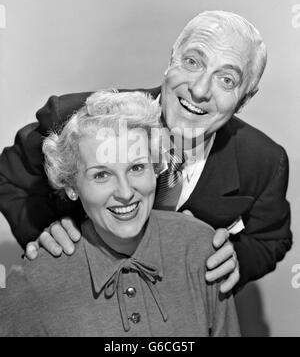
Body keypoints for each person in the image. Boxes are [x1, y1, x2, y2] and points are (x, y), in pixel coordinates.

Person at [0, 11, 292, 294]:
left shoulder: (264, 161)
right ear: (171, 61)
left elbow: (270, 239)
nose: (200, 89)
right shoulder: (75, 120)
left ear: (245, 99)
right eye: (192, 62)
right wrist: (43, 230)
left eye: (226, 79)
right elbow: (7, 178)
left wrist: (238, 259)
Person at [0, 91, 240, 337]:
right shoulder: (33, 281)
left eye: (137, 167)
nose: (125, 193)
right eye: (101, 175)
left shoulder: (201, 249)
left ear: (156, 168)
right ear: (71, 186)